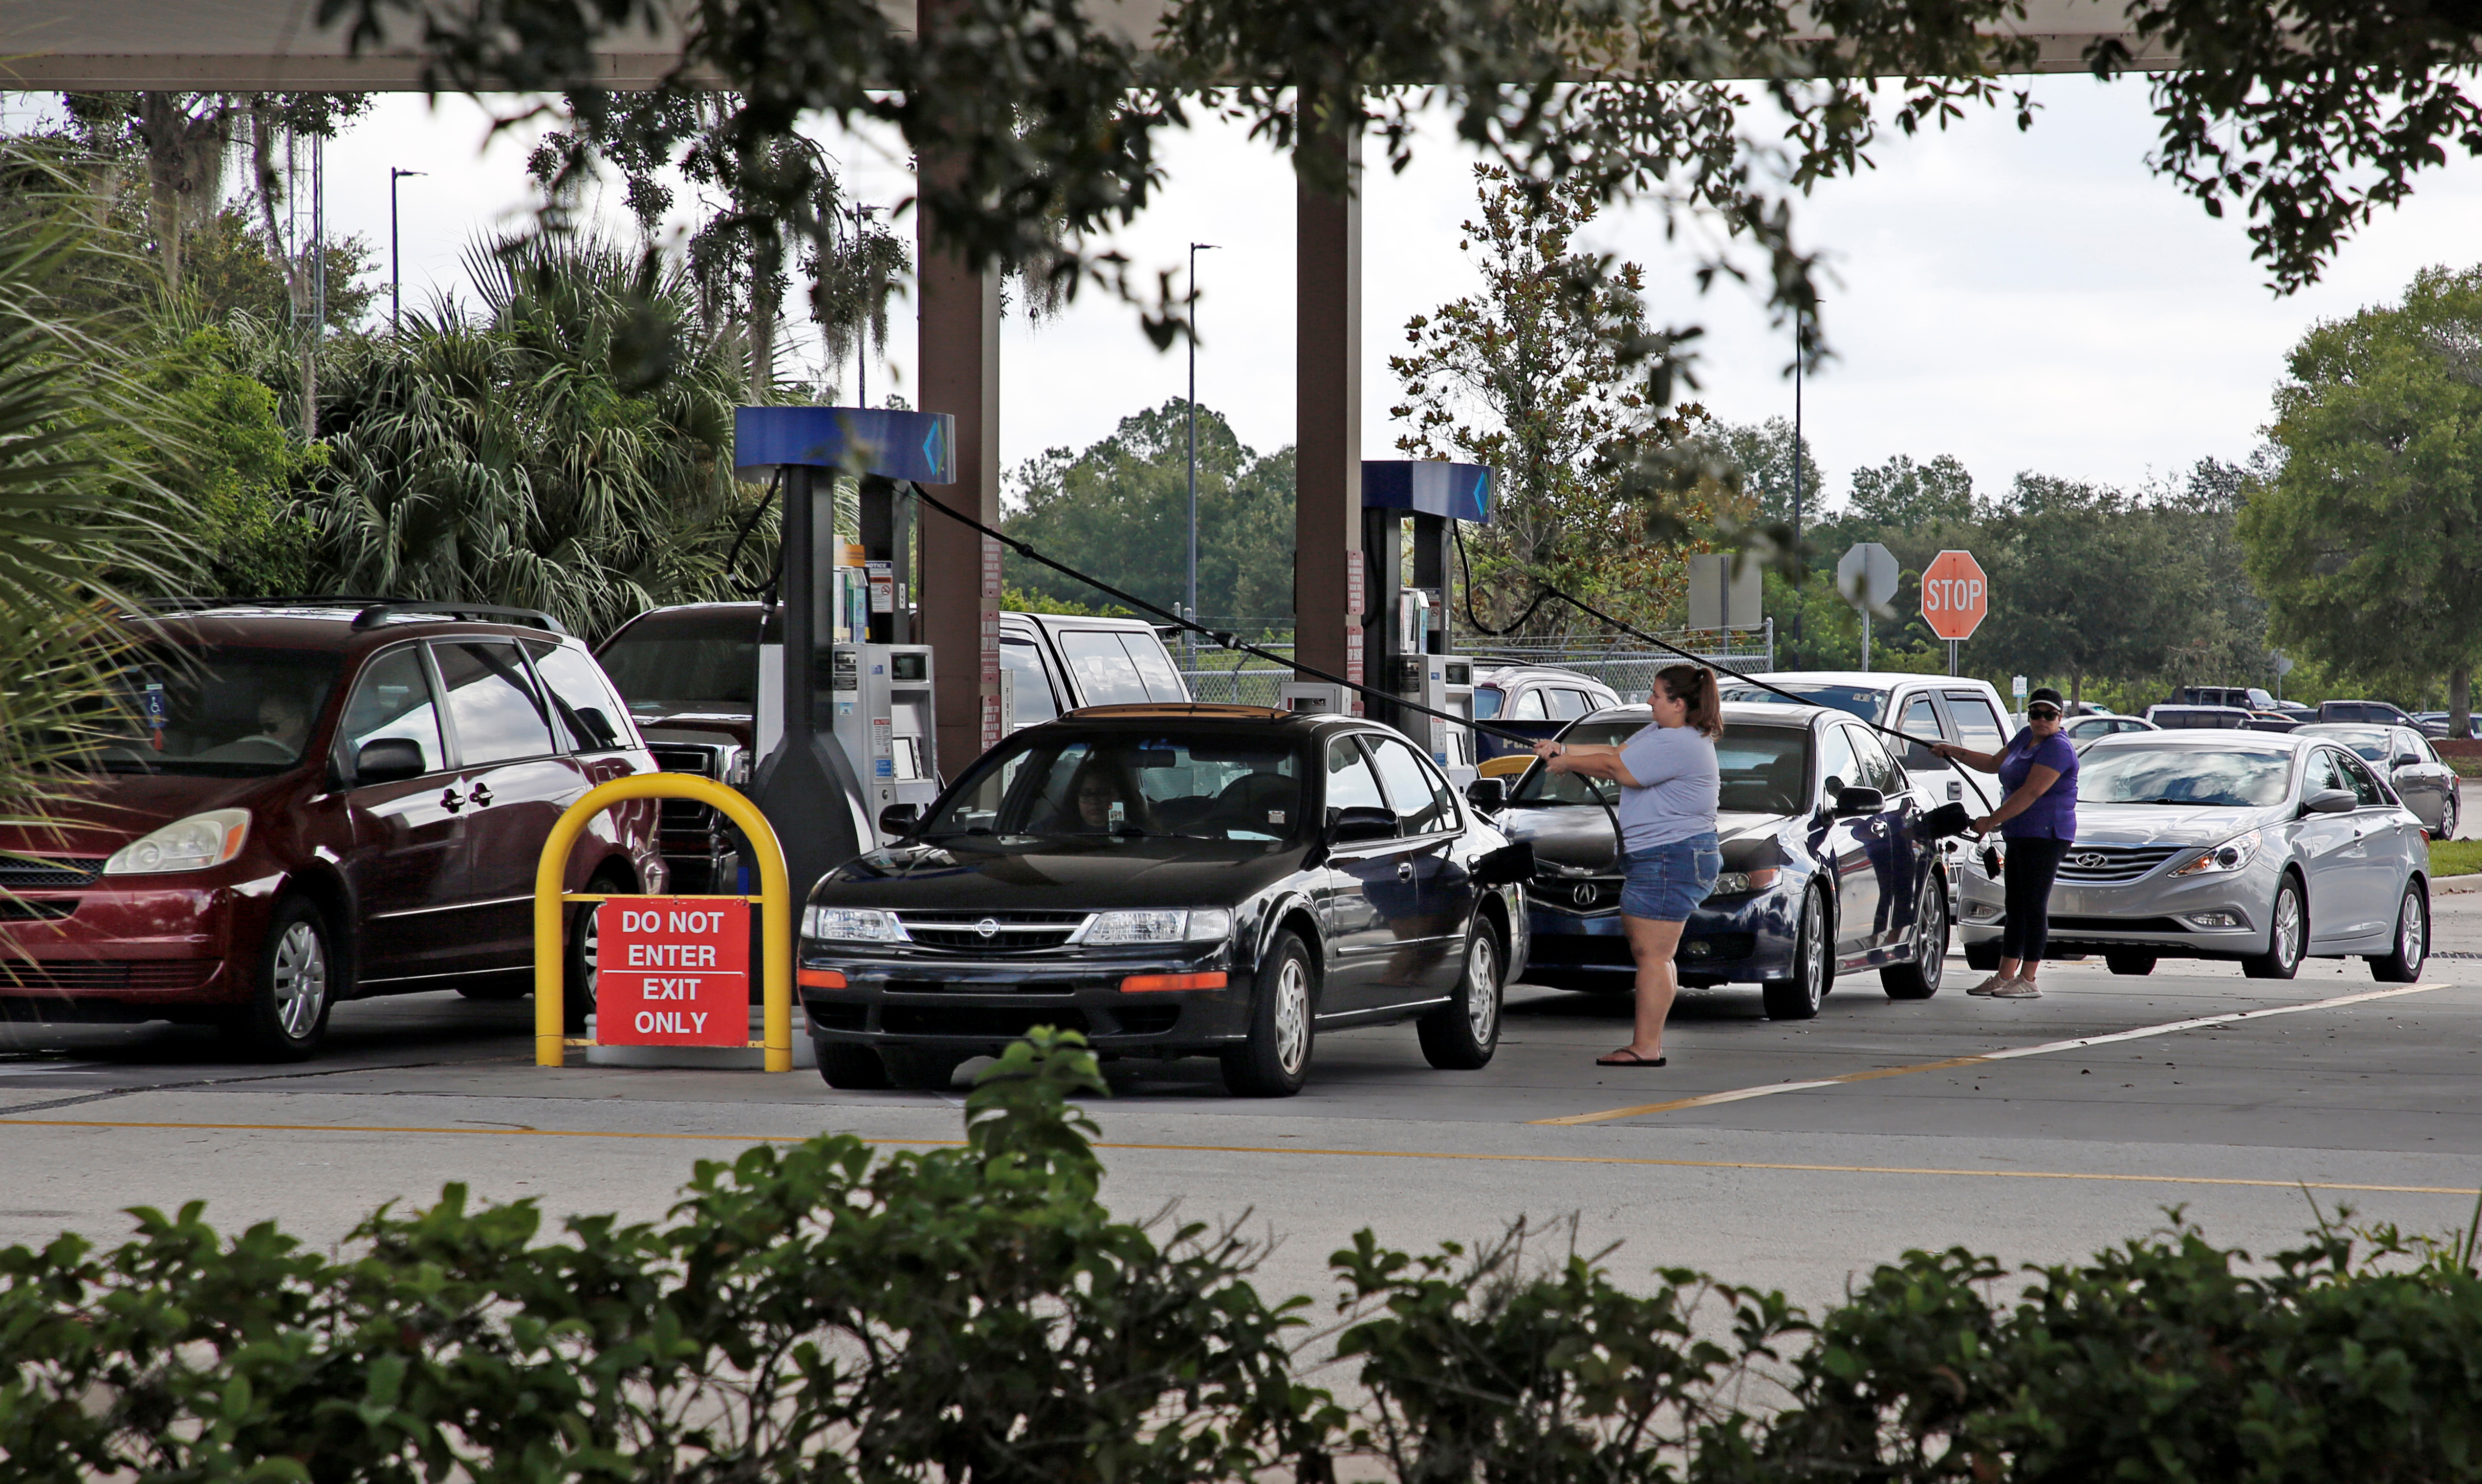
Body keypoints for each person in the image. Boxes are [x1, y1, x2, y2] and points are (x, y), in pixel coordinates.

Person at [1533, 663, 1723, 1067]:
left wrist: (1567, 763)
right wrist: (1561, 749)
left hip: (1671, 856)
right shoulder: (1662, 733)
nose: (1650, 701)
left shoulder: (1679, 743)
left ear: (1679, 704)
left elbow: (1616, 770)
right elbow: (1616, 753)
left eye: (1657, 695)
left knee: (1652, 954)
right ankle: (1647, 1044)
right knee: (1655, 953)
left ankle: (1645, 1047)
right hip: (1667, 855)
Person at [1931, 686, 2078, 998]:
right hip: (2020, 833)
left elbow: (2031, 792)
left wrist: (1991, 821)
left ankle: (2029, 979)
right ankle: (2005, 975)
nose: (2041, 720)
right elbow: (1993, 764)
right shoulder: (2026, 737)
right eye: (2036, 714)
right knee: (2015, 906)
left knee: (2034, 905)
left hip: (2047, 834)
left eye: (2049, 715)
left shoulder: (2058, 749)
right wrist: (1952, 750)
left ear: (2060, 717)